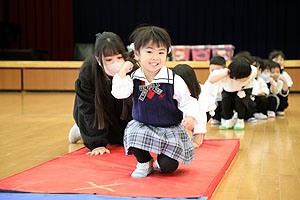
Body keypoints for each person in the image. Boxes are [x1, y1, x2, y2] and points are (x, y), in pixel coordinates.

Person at [111, 25, 200, 178]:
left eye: (161, 52)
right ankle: (145, 163)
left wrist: (191, 117)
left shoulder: (174, 80)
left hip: (169, 128)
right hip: (143, 126)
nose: (155, 57)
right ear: (137, 54)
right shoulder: (133, 78)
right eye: (149, 51)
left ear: (167, 53)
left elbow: (188, 101)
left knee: (168, 167)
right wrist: (121, 72)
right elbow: (119, 94)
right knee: (132, 134)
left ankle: (161, 161)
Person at [69, 32, 138, 156]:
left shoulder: (132, 67)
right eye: (109, 60)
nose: (115, 63)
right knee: (89, 118)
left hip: (120, 113)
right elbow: (87, 107)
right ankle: (82, 130)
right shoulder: (89, 70)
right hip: (98, 111)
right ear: (98, 59)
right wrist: (96, 143)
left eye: (119, 57)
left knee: (121, 139)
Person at [173, 64, 215, 147]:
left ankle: (198, 136)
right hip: (183, 110)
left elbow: (201, 116)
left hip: (205, 112)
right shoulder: (173, 89)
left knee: (196, 117)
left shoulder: (202, 92)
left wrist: (196, 140)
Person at [208, 58, 257, 130]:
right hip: (228, 90)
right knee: (225, 102)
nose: (249, 77)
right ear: (235, 77)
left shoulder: (252, 70)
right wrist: (224, 75)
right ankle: (228, 121)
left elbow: (252, 74)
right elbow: (211, 80)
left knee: (240, 102)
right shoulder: (225, 74)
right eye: (246, 77)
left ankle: (240, 121)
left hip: (244, 89)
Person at [268, 50, 292, 115]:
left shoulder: (285, 74)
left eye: (281, 59)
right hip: (270, 96)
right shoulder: (267, 73)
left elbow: (286, 91)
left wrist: (284, 82)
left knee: (284, 95)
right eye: (276, 59)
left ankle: (280, 109)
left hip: (280, 95)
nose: (279, 61)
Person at [204, 55, 226, 125]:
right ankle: (216, 118)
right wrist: (212, 100)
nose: (214, 73)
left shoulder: (225, 80)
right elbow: (206, 93)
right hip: (215, 102)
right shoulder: (208, 82)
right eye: (212, 70)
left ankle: (226, 118)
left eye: (218, 70)